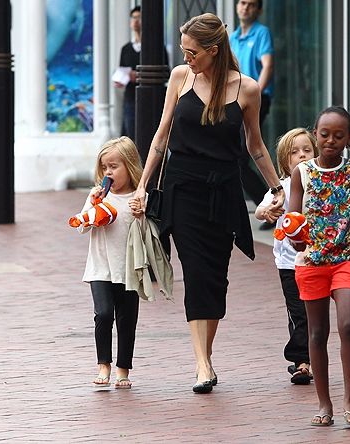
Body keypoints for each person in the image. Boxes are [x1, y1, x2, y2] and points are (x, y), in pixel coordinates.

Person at [132, 13, 284, 394]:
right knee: (197, 273)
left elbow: (255, 146)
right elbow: (161, 136)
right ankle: (201, 364)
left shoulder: (246, 89)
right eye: (184, 51)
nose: (187, 58)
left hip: (223, 192)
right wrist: (143, 186)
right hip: (183, 188)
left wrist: (276, 187)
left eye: (193, 52)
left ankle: (207, 355)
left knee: (216, 278)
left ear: (213, 50)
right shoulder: (180, 78)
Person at [289, 106, 350, 426]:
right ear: (315, 134)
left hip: (348, 258)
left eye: (338, 136)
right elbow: (294, 218)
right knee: (317, 333)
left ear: (349, 138)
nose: (330, 141)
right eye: (325, 134)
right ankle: (324, 403)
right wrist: (295, 237)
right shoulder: (301, 172)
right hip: (311, 261)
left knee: (348, 325)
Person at [75, 136, 145, 389]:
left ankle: (123, 369)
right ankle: (103, 364)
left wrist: (140, 214)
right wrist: (92, 205)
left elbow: (146, 233)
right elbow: (82, 225)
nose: (108, 172)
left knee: (127, 320)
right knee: (103, 314)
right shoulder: (98, 195)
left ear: (130, 166)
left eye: (114, 166)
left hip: (128, 270)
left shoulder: (139, 197)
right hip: (100, 268)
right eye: (104, 167)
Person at [255, 128, 318, 385]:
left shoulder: (321, 185)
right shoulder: (281, 188)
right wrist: (267, 212)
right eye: (294, 152)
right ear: (284, 160)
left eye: (307, 150)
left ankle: (312, 357)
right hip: (289, 263)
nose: (301, 155)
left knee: (314, 312)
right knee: (298, 311)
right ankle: (302, 361)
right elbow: (260, 210)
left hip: (316, 260)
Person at [229, 0, 275, 229]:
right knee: (236, 157)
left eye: (251, 4)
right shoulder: (233, 37)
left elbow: (267, 65)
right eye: (242, 3)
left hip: (256, 99)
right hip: (234, 101)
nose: (245, 8)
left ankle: (269, 205)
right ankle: (269, 204)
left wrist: (255, 93)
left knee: (240, 156)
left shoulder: (261, 33)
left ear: (259, 10)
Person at [114, 6, 169, 142]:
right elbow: (122, 70)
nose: (136, 21)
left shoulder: (156, 47)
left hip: (152, 97)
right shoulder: (126, 49)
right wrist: (121, 78)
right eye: (134, 18)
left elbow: (166, 73)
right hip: (131, 97)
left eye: (139, 18)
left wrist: (139, 76)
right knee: (130, 134)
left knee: (151, 134)